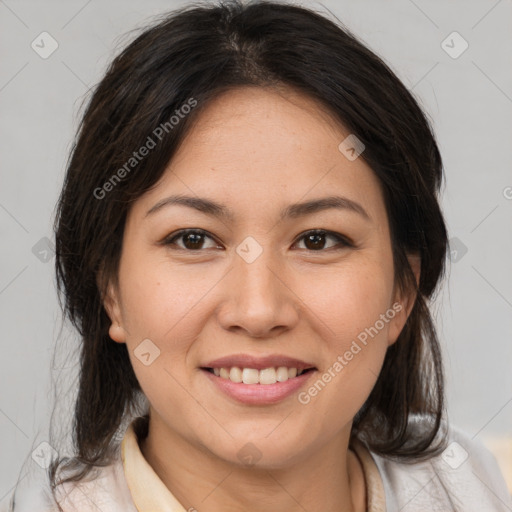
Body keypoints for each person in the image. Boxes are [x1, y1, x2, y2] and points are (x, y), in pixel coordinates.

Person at [5, 1, 511, 511]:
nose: (258, 311)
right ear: (110, 290)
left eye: (318, 240)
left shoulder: (478, 486)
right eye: (193, 239)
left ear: (401, 294)